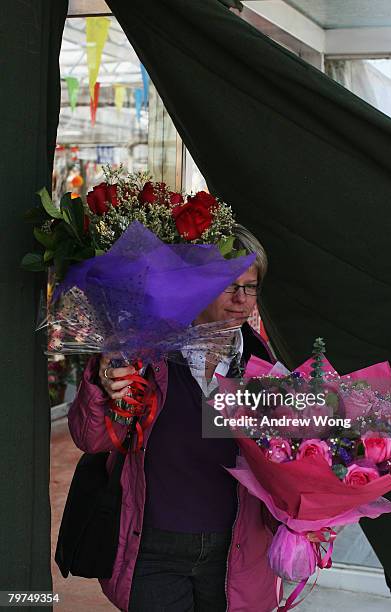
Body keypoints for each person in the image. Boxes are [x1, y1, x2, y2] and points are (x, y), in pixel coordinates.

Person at [68, 225, 281, 612]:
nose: (240, 300)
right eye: (228, 286)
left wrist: (306, 519)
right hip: (152, 552)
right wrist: (102, 380)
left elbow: (285, 466)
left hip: (235, 556)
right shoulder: (146, 354)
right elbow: (92, 440)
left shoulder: (265, 365)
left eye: (251, 287)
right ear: (194, 286)